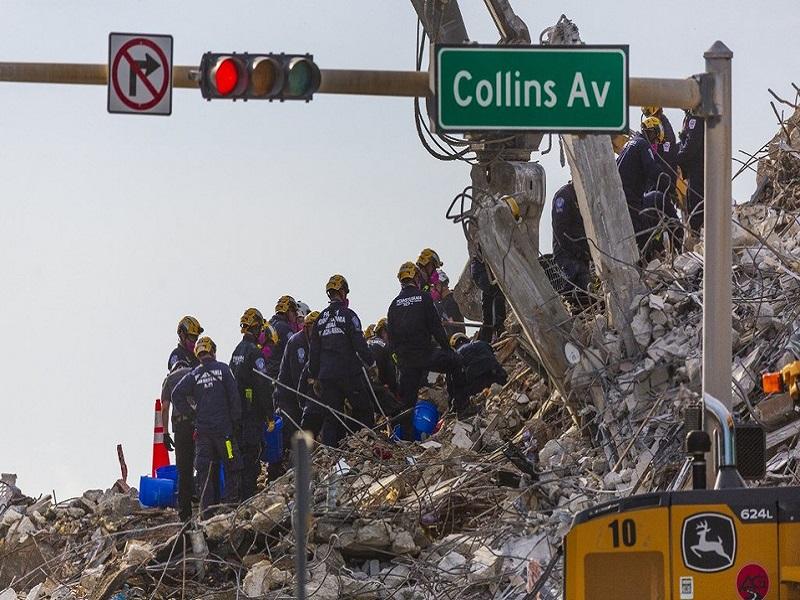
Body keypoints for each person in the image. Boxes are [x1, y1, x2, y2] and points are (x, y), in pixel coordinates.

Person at [388, 261, 465, 439]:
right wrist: (448, 350)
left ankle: (405, 439)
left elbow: (391, 340)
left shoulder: (393, 305)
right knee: (456, 364)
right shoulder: (423, 298)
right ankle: (459, 407)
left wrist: (398, 361)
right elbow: (436, 328)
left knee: (408, 402)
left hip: (407, 361)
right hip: (426, 354)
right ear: (415, 277)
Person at [172, 336, 242, 515]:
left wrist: (192, 414)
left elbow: (176, 394)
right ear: (212, 351)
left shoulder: (194, 375)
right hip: (224, 433)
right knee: (232, 464)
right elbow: (234, 398)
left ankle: (206, 513)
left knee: (205, 472)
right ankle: (231, 507)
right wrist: (235, 423)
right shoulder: (224, 370)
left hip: (203, 435)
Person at [306, 274, 375, 446]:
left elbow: (313, 352)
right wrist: (371, 363)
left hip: (327, 376)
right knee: (364, 409)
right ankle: (367, 444)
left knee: (332, 416)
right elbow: (359, 343)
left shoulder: (319, 320)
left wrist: (314, 376)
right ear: (343, 292)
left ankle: (332, 452)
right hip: (349, 372)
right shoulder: (349, 315)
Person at [229, 308, 274, 499]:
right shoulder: (255, 354)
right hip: (251, 414)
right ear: (257, 328)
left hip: (236, 415)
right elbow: (263, 386)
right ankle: (246, 498)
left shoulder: (236, 352)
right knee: (252, 455)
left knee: (238, 454)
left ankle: (236, 495)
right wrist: (269, 414)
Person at [616, 116, 668, 252]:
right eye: (655, 139)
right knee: (642, 234)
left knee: (640, 228)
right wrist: (665, 179)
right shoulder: (642, 145)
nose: (655, 143)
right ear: (651, 132)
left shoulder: (630, 144)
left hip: (623, 195)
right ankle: (645, 263)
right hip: (630, 197)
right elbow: (651, 168)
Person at [274, 310, 320, 439]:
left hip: (301, 395)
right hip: (288, 397)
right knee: (292, 435)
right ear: (306, 328)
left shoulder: (316, 343)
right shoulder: (297, 342)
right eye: (313, 329)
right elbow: (298, 377)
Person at [160, 359, 194, 521]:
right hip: (198, 424)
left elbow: (165, 408)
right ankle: (205, 502)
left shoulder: (169, 380)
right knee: (203, 462)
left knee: (183, 469)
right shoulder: (194, 372)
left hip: (180, 427)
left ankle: (185, 513)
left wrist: (165, 434)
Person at [551, 181, 591, 306]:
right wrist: (578, 251)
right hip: (567, 253)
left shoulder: (583, 196)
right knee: (580, 285)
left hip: (582, 253)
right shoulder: (564, 196)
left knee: (585, 289)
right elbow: (560, 231)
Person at [450, 333, 508, 403]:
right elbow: (492, 355)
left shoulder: (457, 354)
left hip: (478, 386)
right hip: (498, 377)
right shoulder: (481, 343)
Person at [677, 111, 705, 234]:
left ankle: (698, 233)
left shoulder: (696, 118)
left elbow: (692, 144)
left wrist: (677, 158)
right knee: (691, 203)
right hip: (692, 170)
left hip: (698, 168)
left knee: (696, 204)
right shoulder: (689, 118)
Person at [470, 249, 506, 342]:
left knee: (488, 301)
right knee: (498, 292)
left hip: (481, 271)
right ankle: (500, 327)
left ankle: (486, 338)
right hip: (483, 271)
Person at [268, 296, 301, 381]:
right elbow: (294, 350)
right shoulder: (284, 328)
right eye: (294, 311)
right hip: (278, 374)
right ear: (287, 310)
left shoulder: (269, 325)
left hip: (267, 373)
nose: (296, 315)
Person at [432, 269, 466, 339]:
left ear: (443, 285)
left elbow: (452, 325)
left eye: (435, 285)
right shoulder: (443, 302)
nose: (433, 289)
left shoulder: (451, 301)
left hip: (456, 341)